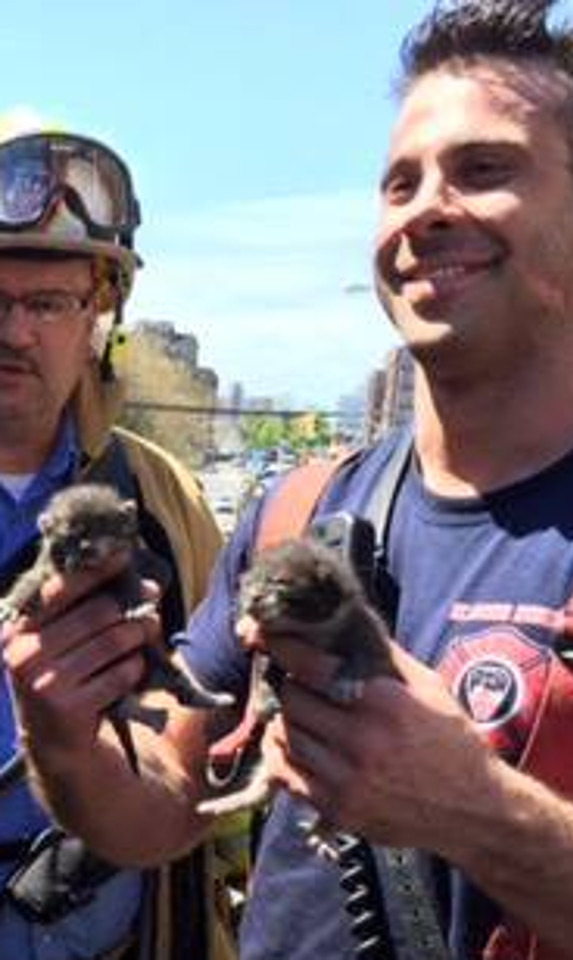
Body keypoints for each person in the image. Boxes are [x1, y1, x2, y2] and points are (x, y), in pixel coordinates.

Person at [2, 3, 573, 958]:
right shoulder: (301, 511)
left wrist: (482, 813)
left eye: (484, 170)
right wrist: (62, 734)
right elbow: (155, 812)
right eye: (400, 181)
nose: (426, 209)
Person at [0, 115, 235, 960]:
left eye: (48, 303)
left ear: (99, 316)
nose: (15, 331)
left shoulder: (162, 501)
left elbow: (220, 746)